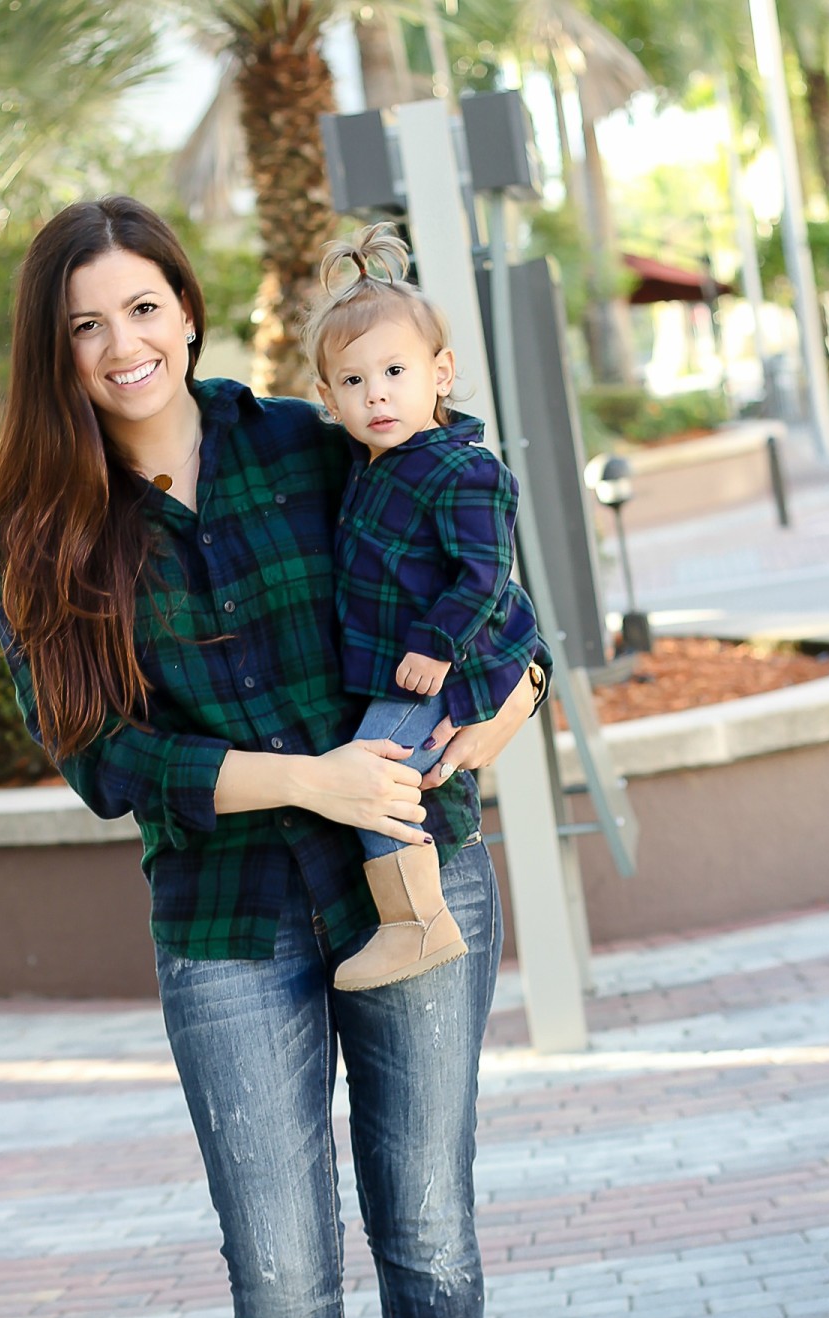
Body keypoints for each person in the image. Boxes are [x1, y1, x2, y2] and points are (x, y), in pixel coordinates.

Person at [0, 196, 548, 1318]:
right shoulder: (40, 528)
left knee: (426, 1223)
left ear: (189, 307)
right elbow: (107, 761)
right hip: (228, 925)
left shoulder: (312, 437)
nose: (122, 345)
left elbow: (492, 598)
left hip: (411, 880)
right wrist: (307, 778)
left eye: (143, 308)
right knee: (283, 1270)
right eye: (86, 323)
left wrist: (502, 703)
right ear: (54, 348)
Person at [305, 223, 542, 994]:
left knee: (376, 782)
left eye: (395, 371)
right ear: (327, 397)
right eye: (352, 381)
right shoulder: (371, 465)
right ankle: (414, 919)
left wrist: (438, 645)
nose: (375, 393)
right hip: (398, 670)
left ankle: (417, 923)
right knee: (378, 777)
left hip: (436, 673)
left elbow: (485, 572)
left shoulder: (461, 471)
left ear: (440, 374)